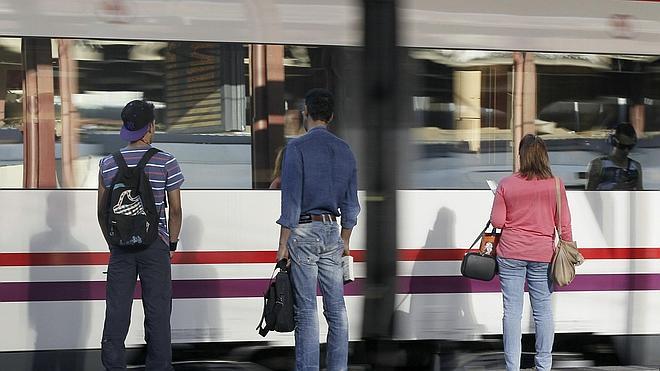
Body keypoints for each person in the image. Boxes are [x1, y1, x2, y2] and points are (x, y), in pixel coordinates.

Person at [276, 88, 360, 371]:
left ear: (305, 114)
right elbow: (351, 206)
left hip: (303, 232)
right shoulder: (345, 150)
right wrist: (345, 240)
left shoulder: (296, 148)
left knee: (307, 310)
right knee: (336, 310)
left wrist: (282, 245)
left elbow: (291, 202)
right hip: (332, 232)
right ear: (331, 117)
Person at [97, 100, 184, 371]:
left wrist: (114, 242)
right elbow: (176, 210)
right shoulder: (166, 161)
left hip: (120, 248)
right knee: (157, 313)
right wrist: (171, 243)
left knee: (116, 312)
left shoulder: (108, 163)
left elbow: (101, 212)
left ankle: (113, 366)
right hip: (155, 246)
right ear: (151, 128)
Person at [490, 134, 573, 371]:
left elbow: (497, 221)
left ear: (521, 156)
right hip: (542, 255)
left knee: (512, 313)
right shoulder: (556, 184)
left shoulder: (506, 184)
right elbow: (564, 223)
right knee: (543, 312)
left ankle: (512, 367)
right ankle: (543, 366)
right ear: (544, 156)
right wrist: (567, 248)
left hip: (511, 254)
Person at [586, 123, 643, 190]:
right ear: (613, 142)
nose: (626, 150)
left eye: (629, 147)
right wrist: (615, 189)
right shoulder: (598, 165)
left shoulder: (636, 167)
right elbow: (590, 194)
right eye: (622, 146)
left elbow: (640, 194)